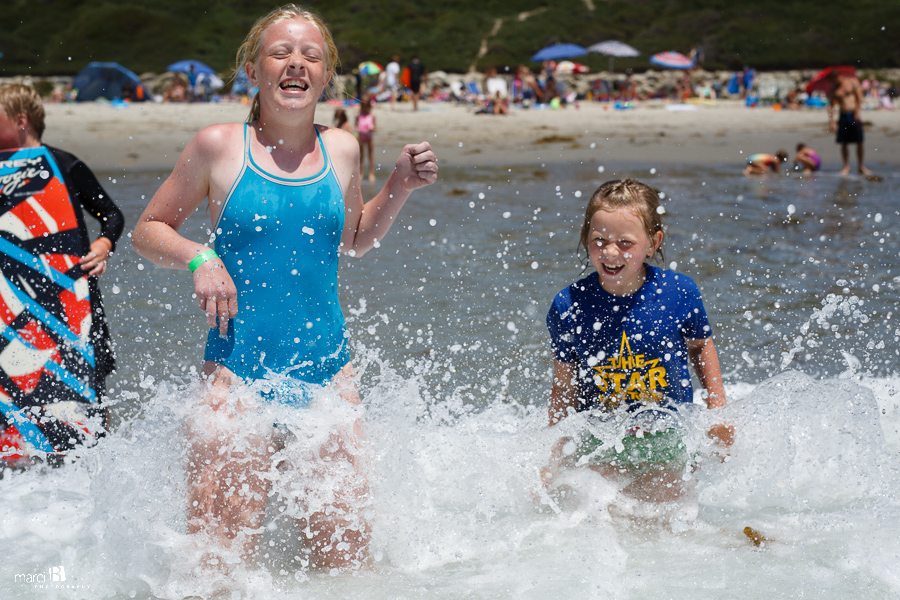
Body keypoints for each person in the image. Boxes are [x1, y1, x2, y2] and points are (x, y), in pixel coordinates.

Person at [131, 5, 437, 572]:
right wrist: (200, 256)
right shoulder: (218, 146)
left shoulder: (342, 149)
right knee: (217, 564)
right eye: (280, 52)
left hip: (328, 381)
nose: (296, 63)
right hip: (236, 377)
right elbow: (148, 231)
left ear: (324, 76)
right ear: (253, 70)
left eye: (310, 56)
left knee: (342, 566)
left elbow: (355, 239)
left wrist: (400, 185)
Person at [542, 179, 732, 507]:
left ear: (653, 243)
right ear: (585, 237)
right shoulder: (570, 305)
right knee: (597, 510)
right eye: (599, 240)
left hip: (668, 436)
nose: (610, 252)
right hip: (601, 438)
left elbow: (701, 346)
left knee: (668, 515)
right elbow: (563, 389)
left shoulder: (679, 292)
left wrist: (719, 412)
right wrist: (553, 456)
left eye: (625, 242)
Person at [0, 83, 124, 466]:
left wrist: (102, 247)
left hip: (70, 301)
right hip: (8, 303)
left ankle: (101, 466)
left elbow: (111, 215)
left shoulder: (64, 164)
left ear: (21, 121)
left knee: (88, 378)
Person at [828, 70, 871, 175]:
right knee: (843, 142)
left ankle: (861, 166)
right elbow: (831, 107)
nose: (833, 83)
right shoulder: (834, 90)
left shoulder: (851, 82)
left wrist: (857, 112)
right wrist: (831, 121)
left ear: (838, 76)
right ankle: (846, 166)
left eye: (834, 80)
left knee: (859, 141)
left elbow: (859, 97)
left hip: (853, 114)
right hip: (843, 115)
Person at [356, 93, 376, 181]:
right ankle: (361, 173)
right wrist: (356, 128)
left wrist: (372, 129)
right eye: (363, 106)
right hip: (361, 137)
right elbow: (356, 125)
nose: (365, 108)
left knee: (370, 155)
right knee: (361, 155)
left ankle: (371, 173)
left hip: (369, 137)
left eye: (366, 106)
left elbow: (375, 127)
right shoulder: (358, 115)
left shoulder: (372, 115)